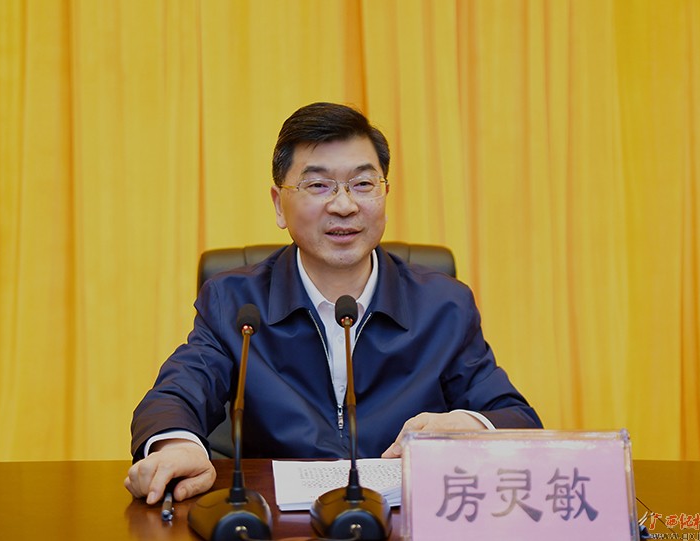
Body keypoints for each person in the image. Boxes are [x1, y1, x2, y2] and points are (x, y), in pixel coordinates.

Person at [124, 102, 542, 505]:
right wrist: (177, 446)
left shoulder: (443, 305)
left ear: (385, 193)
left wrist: (465, 425)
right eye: (318, 185)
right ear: (279, 204)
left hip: (402, 522)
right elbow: (175, 395)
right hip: (276, 524)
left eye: (363, 184)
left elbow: (517, 419)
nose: (344, 206)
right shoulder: (234, 301)